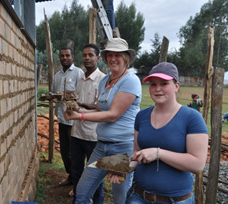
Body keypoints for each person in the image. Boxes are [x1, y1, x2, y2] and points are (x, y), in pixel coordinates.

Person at [118, 62, 208, 204]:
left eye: (164, 83)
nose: (157, 89)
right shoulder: (141, 116)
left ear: (176, 86)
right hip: (139, 196)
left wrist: (159, 153)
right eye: (153, 84)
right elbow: (137, 154)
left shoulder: (192, 118)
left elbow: (197, 165)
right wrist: (122, 169)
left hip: (176, 200)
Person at [64, 38, 141, 204]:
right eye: (110, 55)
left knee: (120, 198)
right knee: (82, 192)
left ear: (126, 58)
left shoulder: (130, 81)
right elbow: (100, 110)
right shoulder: (105, 81)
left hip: (121, 149)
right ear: (105, 58)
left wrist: (80, 116)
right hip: (101, 147)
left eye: (118, 55)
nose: (113, 59)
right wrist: (80, 110)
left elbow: (113, 114)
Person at [69, 44, 105, 202]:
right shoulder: (81, 78)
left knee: (96, 173)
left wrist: (80, 104)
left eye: (91, 55)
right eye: (84, 55)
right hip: (77, 132)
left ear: (98, 58)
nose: (87, 58)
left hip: (93, 135)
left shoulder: (102, 79)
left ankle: (98, 201)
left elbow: (101, 108)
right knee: (76, 170)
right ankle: (78, 199)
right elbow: (77, 102)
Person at [47, 47, 84, 186]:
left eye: (67, 55)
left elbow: (81, 94)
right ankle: (71, 176)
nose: (64, 58)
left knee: (74, 152)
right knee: (64, 151)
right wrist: (49, 96)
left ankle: (78, 182)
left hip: (74, 120)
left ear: (72, 57)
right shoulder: (57, 75)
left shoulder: (78, 73)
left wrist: (67, 94)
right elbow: (52, 92)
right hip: (62, 118)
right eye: (62, 56)